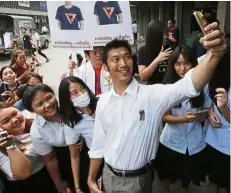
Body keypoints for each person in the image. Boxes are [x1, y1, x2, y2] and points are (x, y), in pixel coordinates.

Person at [87, 22, 226, 193]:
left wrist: (215, 55)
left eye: (127, 57)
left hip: (139, 181)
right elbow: (99, 143)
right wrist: (91, 177)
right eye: (115, 59)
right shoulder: (103, 102)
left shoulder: (152, 96)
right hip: (109, 176)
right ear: (106, 67)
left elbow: (189, 85)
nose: (123, 63)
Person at [155, 45, 209, 193]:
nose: (183, 68)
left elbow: (207, 112)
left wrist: (203, 116)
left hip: (194, 142)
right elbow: (164, 117)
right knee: (169, 181)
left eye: (187, 63)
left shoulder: (202, 86)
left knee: (185, 181)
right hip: (171, 143)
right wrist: (184, 119)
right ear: (172, 66)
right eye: (178, 64)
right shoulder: (168, 86)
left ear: (193, 64)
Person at [21, 84, 85, 193]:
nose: (48, 104)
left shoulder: (72, 104)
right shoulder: (37, 130)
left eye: (49, 97)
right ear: (32, 110)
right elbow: (50, 159)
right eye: (40, 104)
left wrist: (84, 136)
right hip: (66, 160)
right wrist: (59, 183)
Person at [0, 102, 58, 193]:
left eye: (15, 113)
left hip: (50, 173)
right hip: (28, 186)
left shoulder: (33, 122)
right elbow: (23, 174)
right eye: (6, 121)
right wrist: (10, 146)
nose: (15, 120)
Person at [59, 76, 99, 192]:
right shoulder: (72, 122)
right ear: (68, 100)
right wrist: (77, 187)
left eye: (82, 88)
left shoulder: (102, 104)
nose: (82, 93)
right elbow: (74, 156)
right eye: (75, 93)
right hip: (98, 162)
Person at [204, 49, 230, 193]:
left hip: (228, 147)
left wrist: (224, 108)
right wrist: (210, 111)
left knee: (225, 184)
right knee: (213, 181)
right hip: (214, 139)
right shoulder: (217, 77)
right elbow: (209, 101)